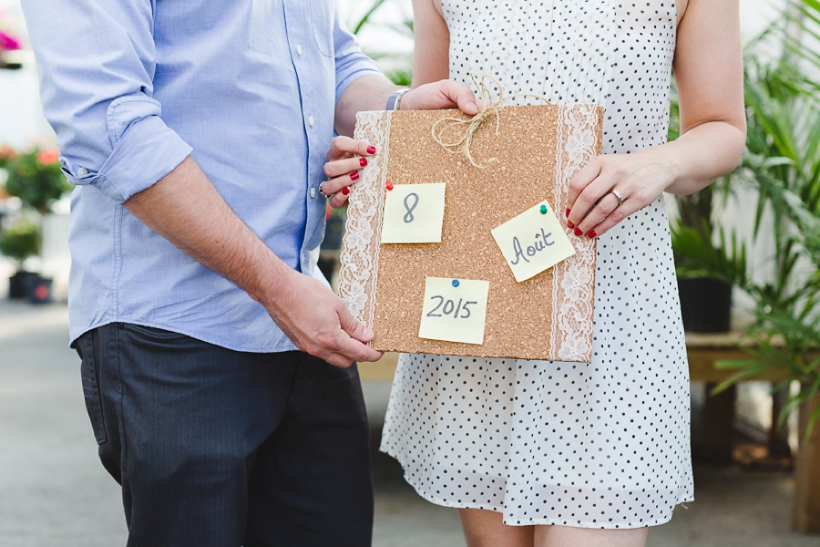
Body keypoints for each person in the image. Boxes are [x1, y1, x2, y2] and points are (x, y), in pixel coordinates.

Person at [20, 1, 479, 545]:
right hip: (174, 323)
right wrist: (276, 288)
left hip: (303, 315)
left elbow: (328, 54)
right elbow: (106, 123)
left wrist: (396, 106)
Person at [323, 0, 746, 545]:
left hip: (612, 309)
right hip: (481, 306)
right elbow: (435, 138)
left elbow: (723, 129)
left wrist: (658, 163)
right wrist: (376, 170)